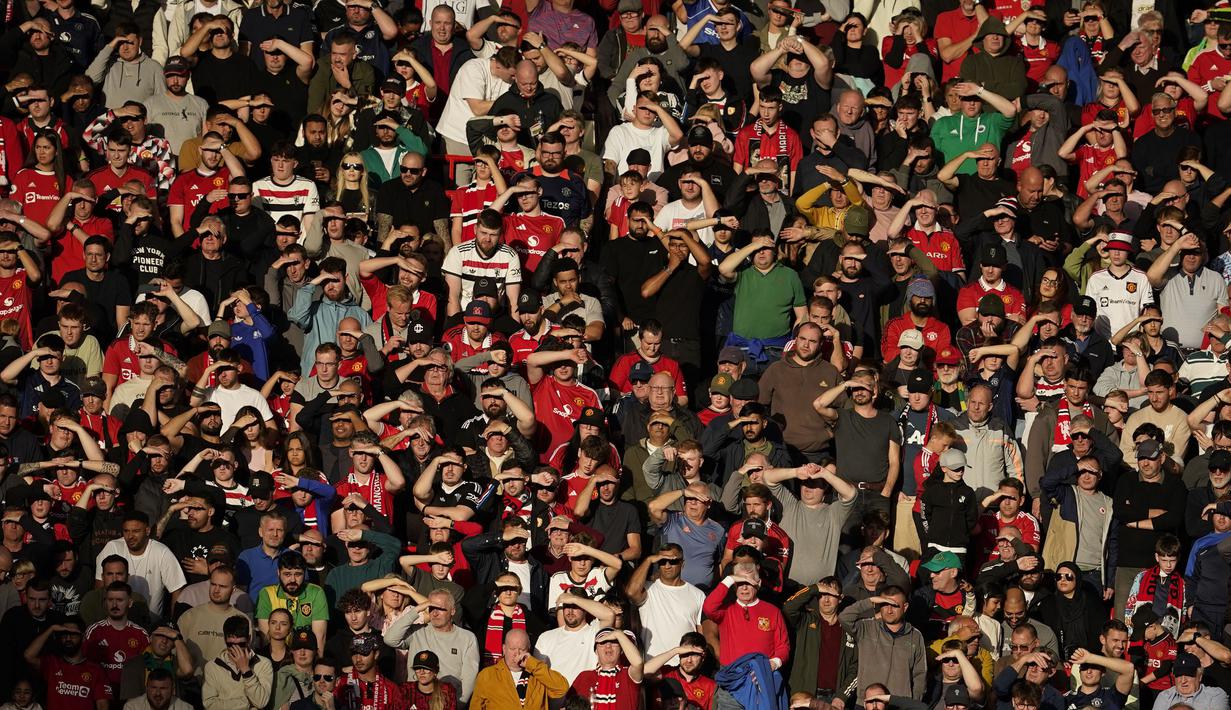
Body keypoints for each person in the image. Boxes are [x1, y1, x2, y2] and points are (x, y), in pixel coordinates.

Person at [470, 628, 569, 709]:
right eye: (512, 649)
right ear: (504, 649)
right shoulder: (487, 675)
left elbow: (562, 688)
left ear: (528, 649)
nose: (516, 653)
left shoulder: (538, 675)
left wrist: (532, 664)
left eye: (522, 649)